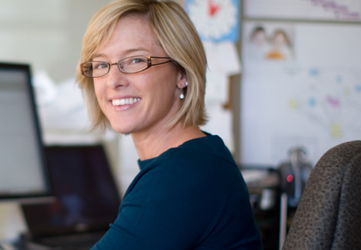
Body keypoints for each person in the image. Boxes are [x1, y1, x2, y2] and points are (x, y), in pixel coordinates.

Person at [75, 0, 262, 249]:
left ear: (181, 73)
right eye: (101, 64)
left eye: (135, 60)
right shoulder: (201, 157)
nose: (113, 81)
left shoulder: (182, 175)